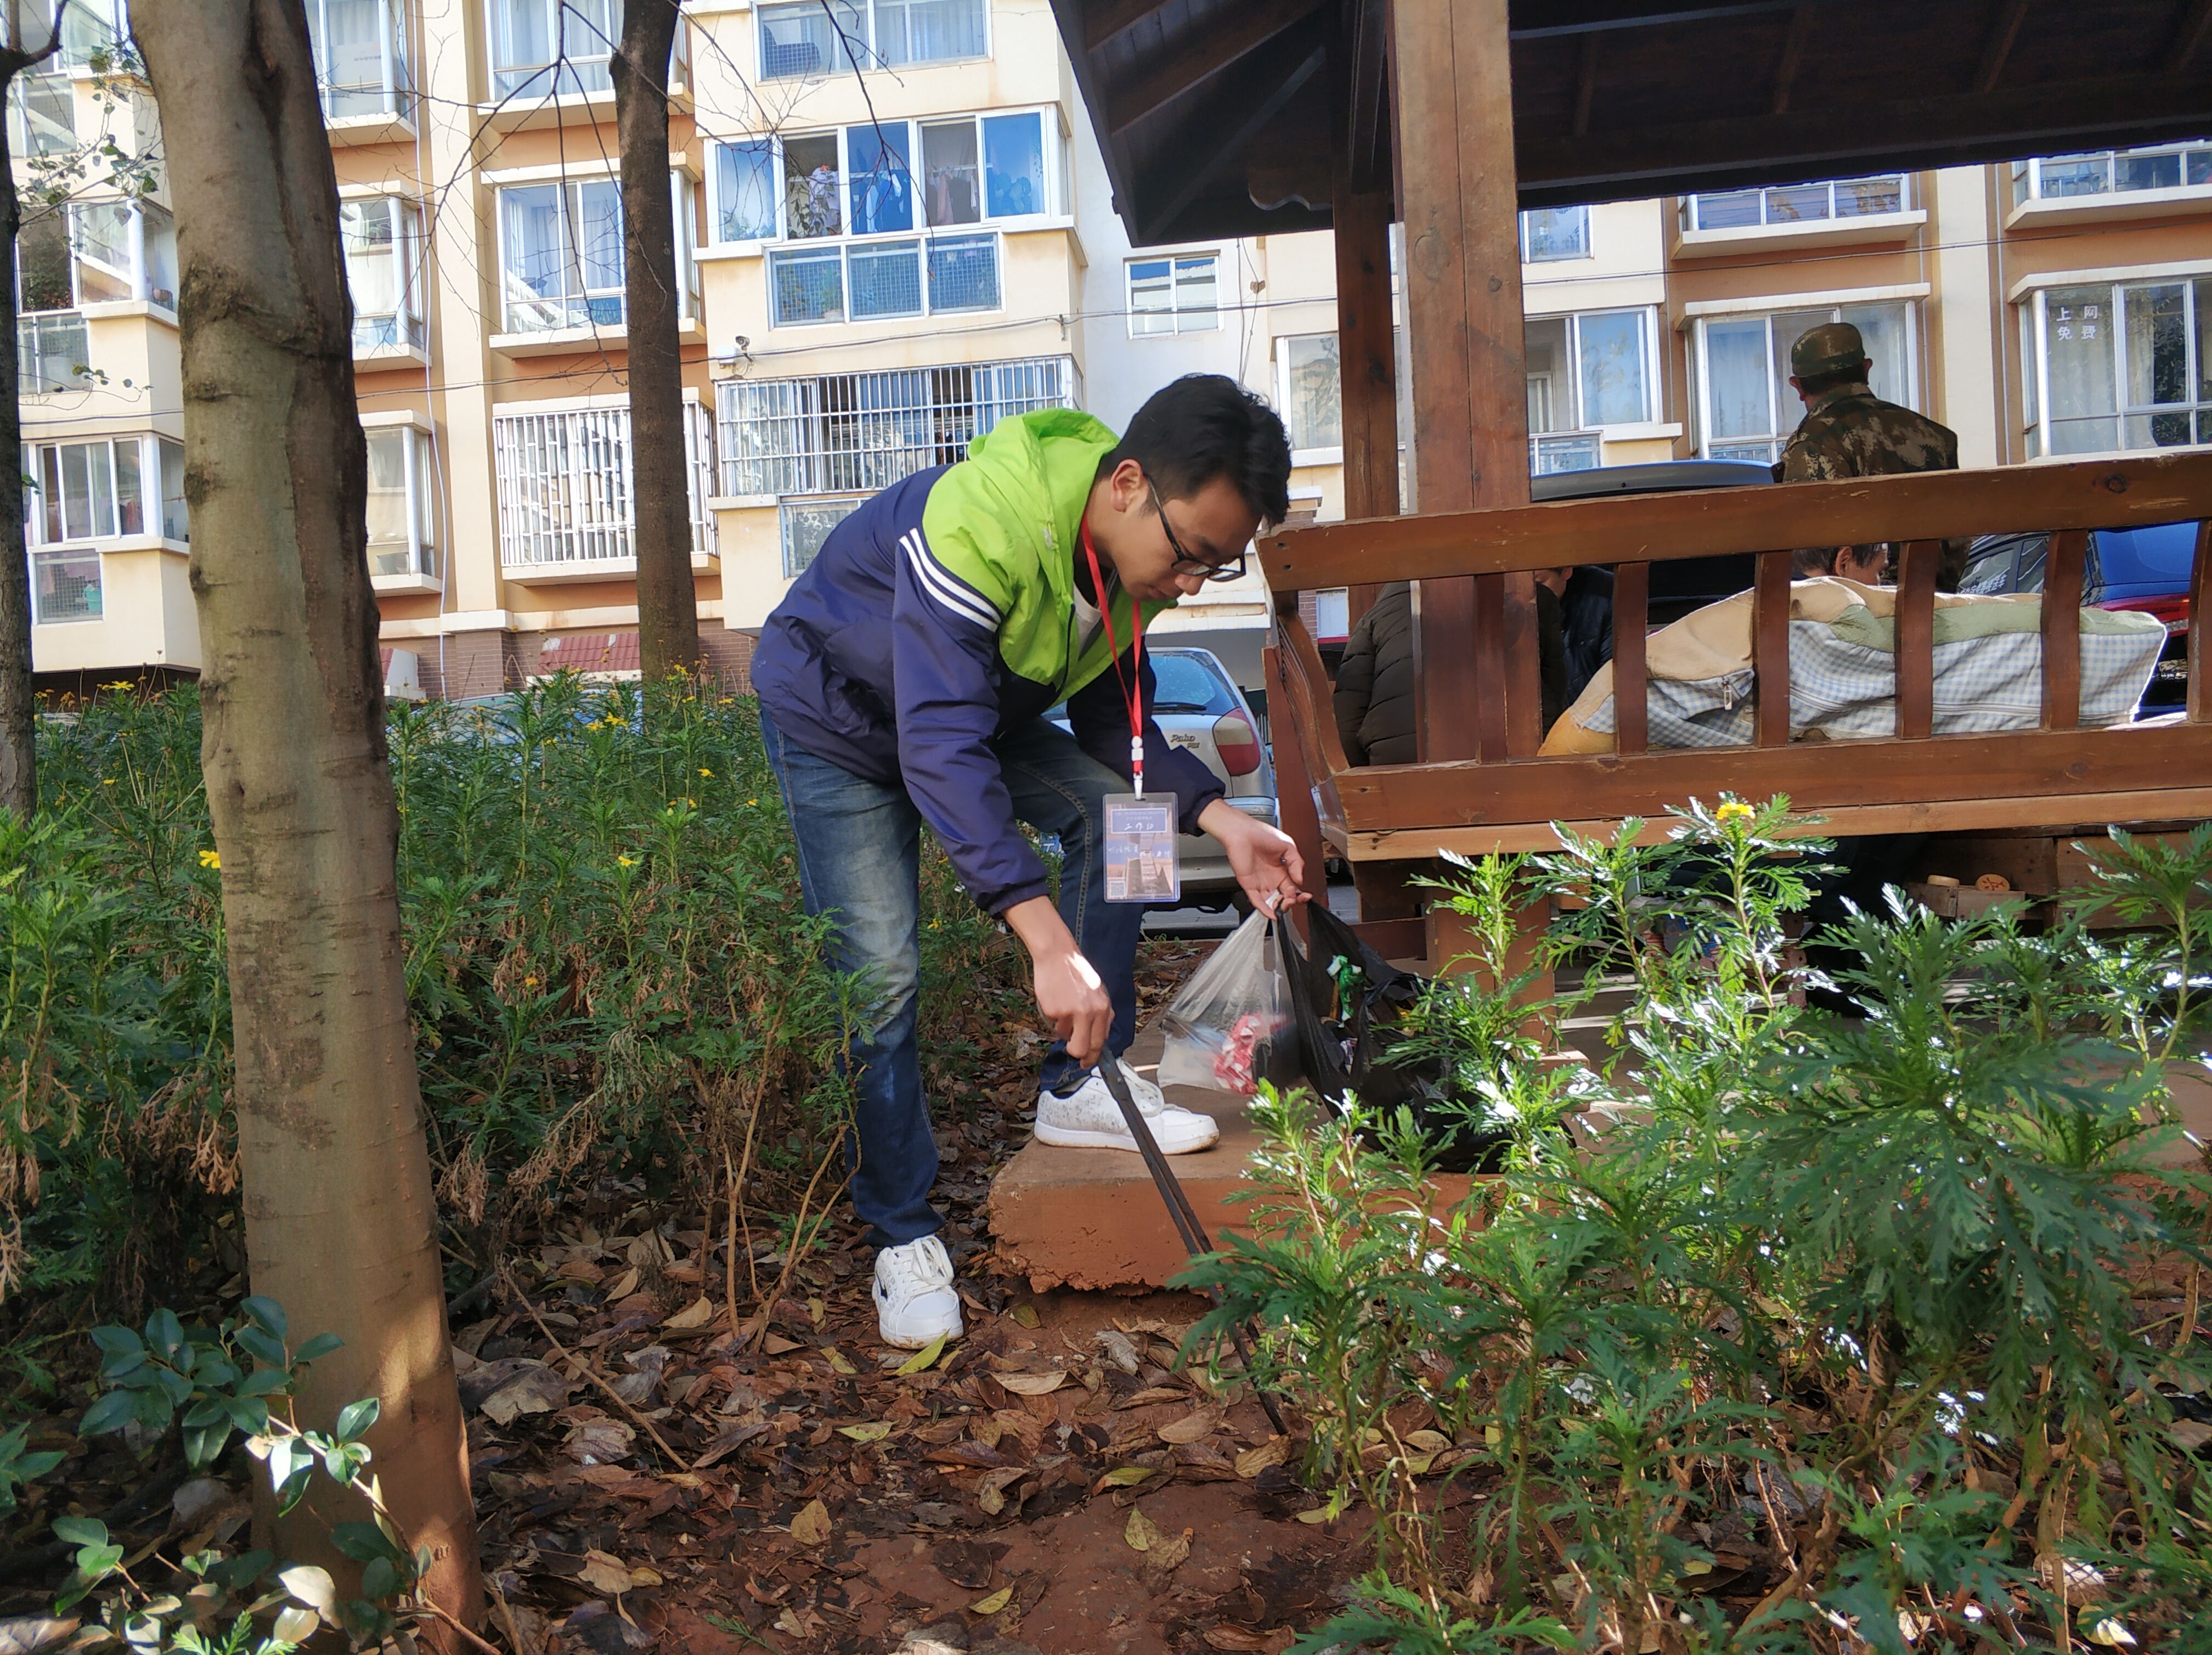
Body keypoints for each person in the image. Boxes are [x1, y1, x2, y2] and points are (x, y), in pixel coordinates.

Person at [750, 375, 1311, 1349]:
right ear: (1128, 485)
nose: (1190, 584)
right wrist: (1046, 938)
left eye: (1216, 570)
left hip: (963, 715)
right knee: (880, 975)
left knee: (1133, 823)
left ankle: (1082, 1084)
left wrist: (1221, 818)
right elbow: (938, 747)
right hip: (837, 722)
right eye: (1190, 554)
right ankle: (901, 1231)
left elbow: (1114, 723)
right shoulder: (984, 522)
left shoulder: (1129, 567)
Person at [1334, 579, 1568, 764]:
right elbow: (1557, 690)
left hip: (1398, 762)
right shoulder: (1535, 599)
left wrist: (1366, 779)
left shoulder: (1374, 617)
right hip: (1517, 755)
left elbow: (1347, 720)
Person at [1774, 322, 1959, 485]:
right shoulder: (1936, 435)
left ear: (1797, 386)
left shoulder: (1816, 442)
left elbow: (1807, 513)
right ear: (1866, 369)